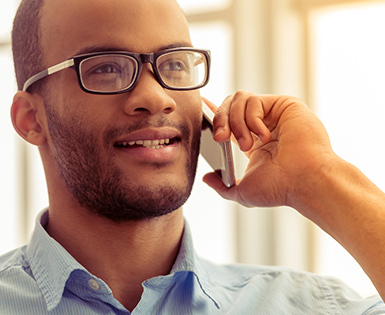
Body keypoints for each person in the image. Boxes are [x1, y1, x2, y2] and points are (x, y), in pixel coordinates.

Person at [1, 0, 384, 313]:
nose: (156, 97)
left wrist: (320, 174)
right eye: (105, 68)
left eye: (174, 64)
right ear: (31, 118)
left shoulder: (312, 308)